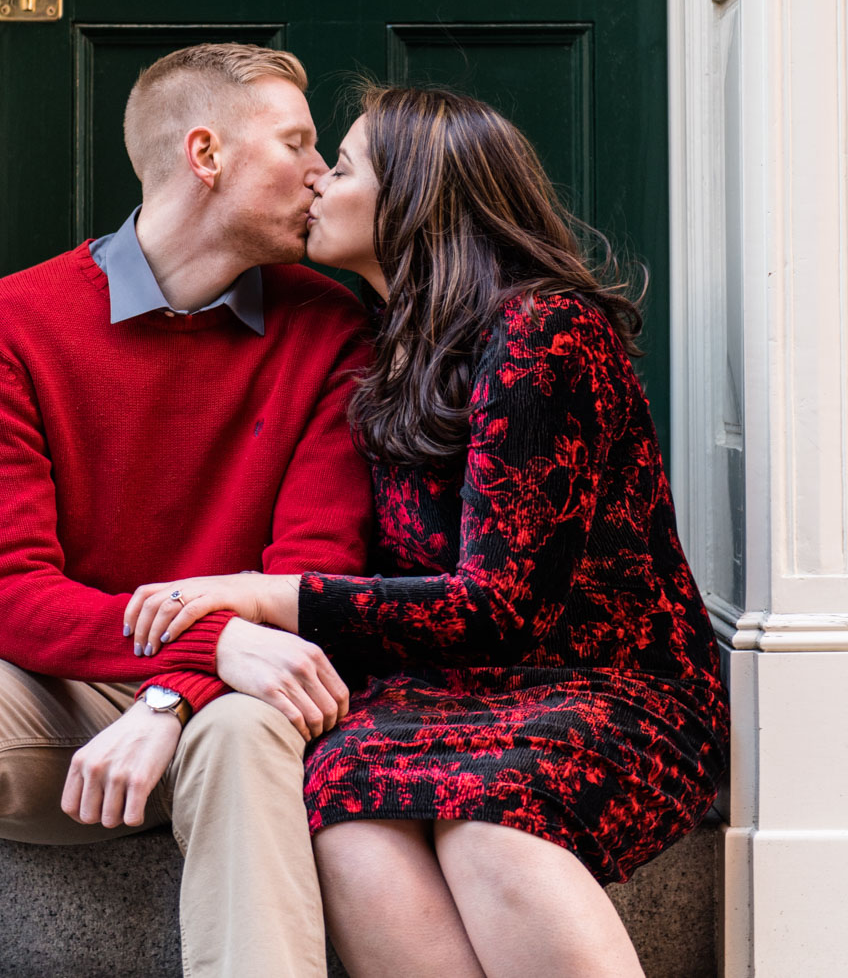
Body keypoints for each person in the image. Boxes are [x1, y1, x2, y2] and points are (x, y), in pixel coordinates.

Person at [130, 84, 730, 978]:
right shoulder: (391, 344)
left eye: (339, 167)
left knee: (490, 824)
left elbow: (501, 608)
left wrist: (265, 597)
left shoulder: (546, 335)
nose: (315, 187)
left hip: (609, 687)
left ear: (414, 195)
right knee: (342, 811)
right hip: (450, 692)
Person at [0, 43, 374, 978]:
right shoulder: (11, 325)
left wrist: (179, 693)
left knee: (253, 727)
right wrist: (207, 645)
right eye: (297, 142)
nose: (321, 172)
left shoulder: (332, 329)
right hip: (67, 689)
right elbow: (8, 597)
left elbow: (308, 579)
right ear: (205, 155)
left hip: (236, 700)